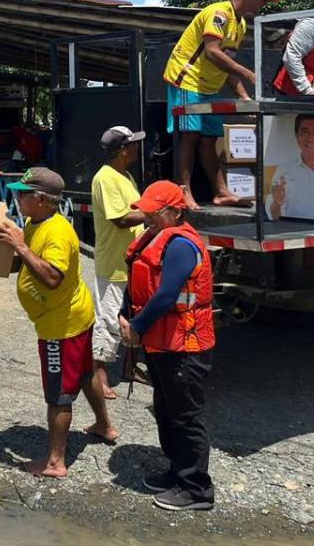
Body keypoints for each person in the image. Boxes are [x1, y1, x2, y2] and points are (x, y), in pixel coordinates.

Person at [0, 168, 118, 477]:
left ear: (42, 199)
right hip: (75, 314)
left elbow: (50, 277)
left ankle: (55, 462)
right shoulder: (36, 222)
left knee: (58, 394)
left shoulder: (57, 232)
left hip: (62, 326)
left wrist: (19, 245)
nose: (17, 197)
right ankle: (104, 426)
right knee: (86, 374)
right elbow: (30, 263)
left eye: (22, 193)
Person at [119, 181, 216, 511]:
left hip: (185, 346)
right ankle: (177, 471)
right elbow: (137, 282)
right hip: (163, 344)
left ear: (176, 211)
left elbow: (166, 295)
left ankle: (196, 490)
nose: (147, 217)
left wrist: (135, 327)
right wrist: (125, 316)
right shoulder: (156, 237)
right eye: (145, 211)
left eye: (155, 212)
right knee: (166, 410)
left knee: (186, 416)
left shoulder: (180, 246)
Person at [164, 0, 278, 209]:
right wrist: (248, 74)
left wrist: (243, 96)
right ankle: (182, 191)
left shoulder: (241, 22)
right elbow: (212, 51)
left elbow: (226, 63)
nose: (265, 3)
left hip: (209, 85)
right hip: (187, 80)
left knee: (210, 140)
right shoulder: (219, 14)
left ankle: (222, 192)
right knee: (190, 136)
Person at [90, 126, 146, 399]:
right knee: (109, 319)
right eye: (133, 144)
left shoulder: (125, 176)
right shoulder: (105, 178)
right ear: (123, 149)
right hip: (113, 263)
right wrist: (155, 211)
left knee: (134, 315)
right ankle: (99, 375)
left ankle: (129, 367)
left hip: (132, 262)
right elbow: (121, 219)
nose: (137, 147)